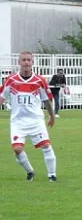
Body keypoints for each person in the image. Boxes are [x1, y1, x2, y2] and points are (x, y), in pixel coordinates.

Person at [0, 52, 57, 182]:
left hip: (36, 120)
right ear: (19, 62)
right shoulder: (11, 80)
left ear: (32, 62)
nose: (26, 62)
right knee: (17, 149)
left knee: (46, 146)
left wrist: (52, 116)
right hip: (17, 121)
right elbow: (2, 97)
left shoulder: (39, 80)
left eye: (29, 60)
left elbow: (47, 100)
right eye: (24, 60)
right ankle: (30, 171)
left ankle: (52, 175)